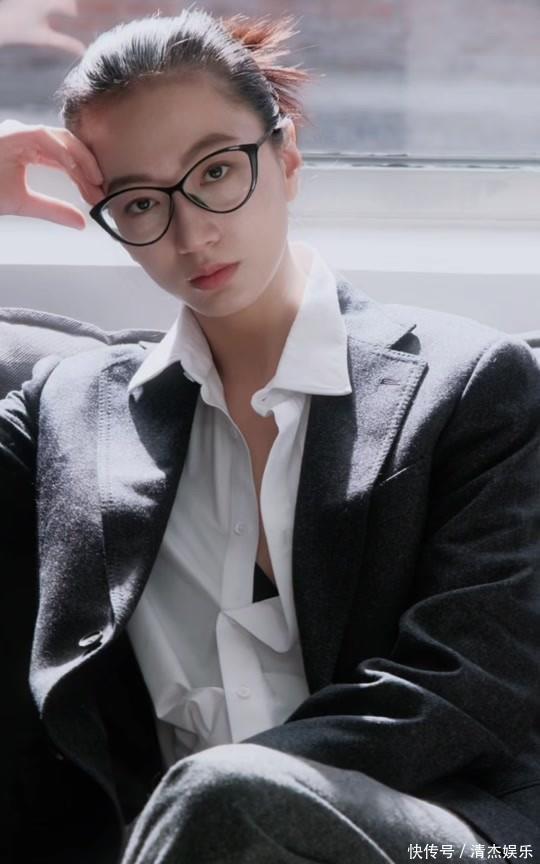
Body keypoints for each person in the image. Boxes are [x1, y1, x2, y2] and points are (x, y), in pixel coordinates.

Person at [1, 8, 539, 864]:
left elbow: (471, 686)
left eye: (217, 170)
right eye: (139, 202)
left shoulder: (472, 385)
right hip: (163, 839)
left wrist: (225, 791)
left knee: (227, 793)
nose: (192, 233)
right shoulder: (67, 413)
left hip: (428, 831)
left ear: (286, 159)